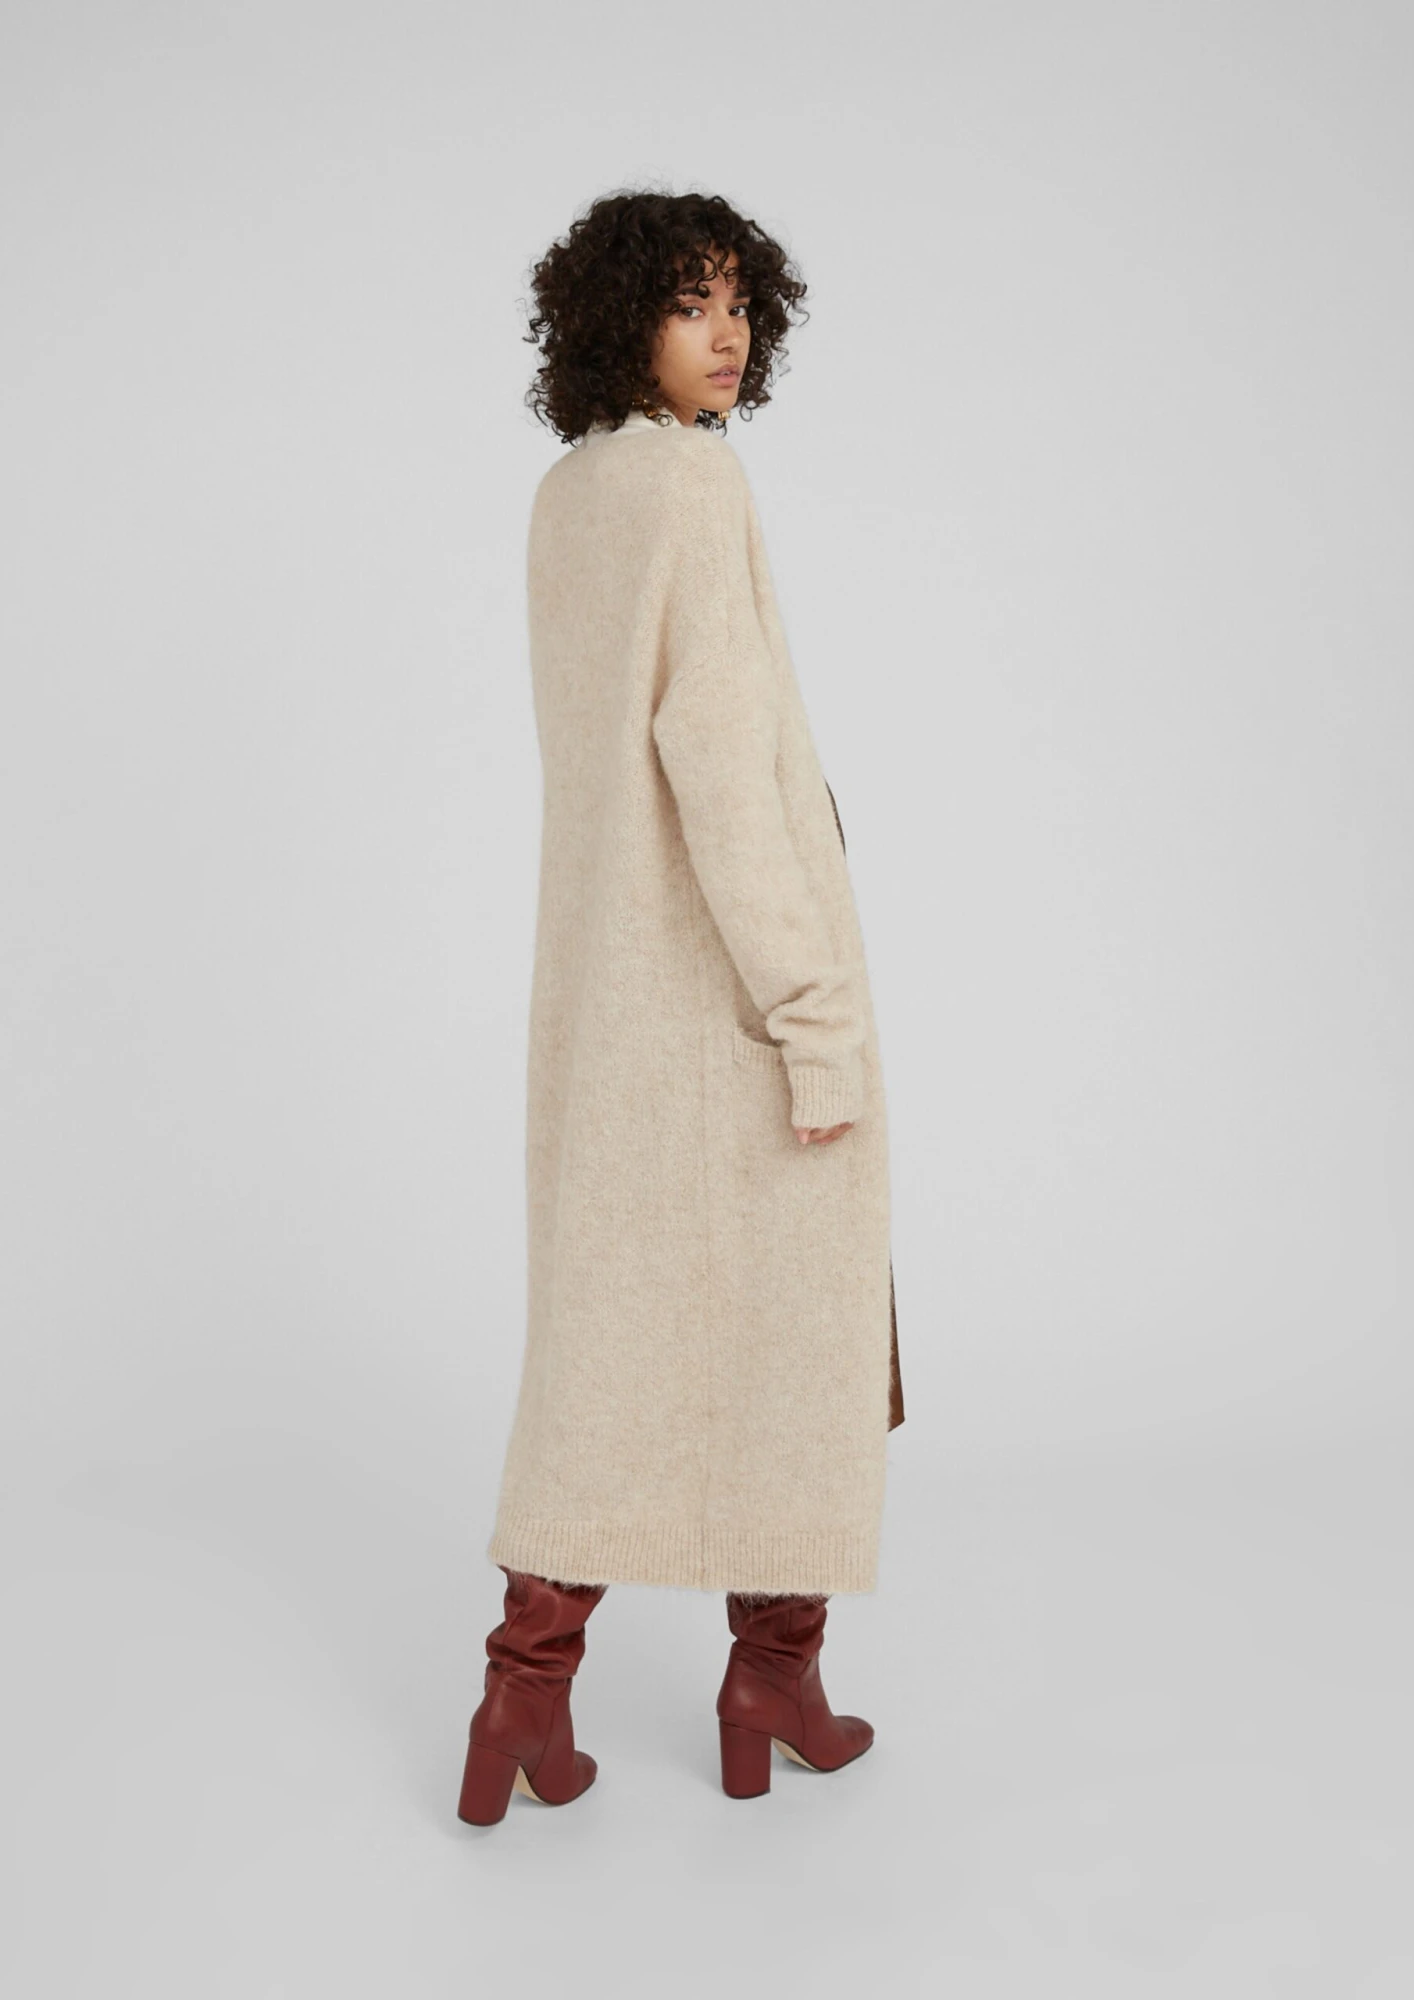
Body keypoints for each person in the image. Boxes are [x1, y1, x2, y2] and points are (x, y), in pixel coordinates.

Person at [457, 190, 903, 1827]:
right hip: (730, 994)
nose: (727, 335)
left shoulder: (573, 493)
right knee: (806, 1336)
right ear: (619, 320)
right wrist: (812, 1010)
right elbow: (718, 763)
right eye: (690, 303)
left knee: (610, 1339)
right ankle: (772, 1678)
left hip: (607, 997)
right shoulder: (694, 488)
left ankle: (525, 1698)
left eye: (739, 306)